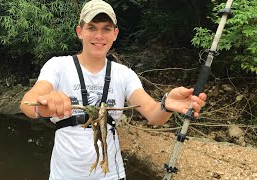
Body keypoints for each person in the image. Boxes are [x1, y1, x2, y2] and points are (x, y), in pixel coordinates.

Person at [20, 0, 207, 179]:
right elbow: (28, 102)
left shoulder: (124, 74)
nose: (99, 36)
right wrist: (42, 105)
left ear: (115, 34)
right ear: (80, 31)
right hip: (65, 175)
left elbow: (152, 113)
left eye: (106, 29)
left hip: (111, 175)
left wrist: (166, 105)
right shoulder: (58, 66)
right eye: (91, 27)